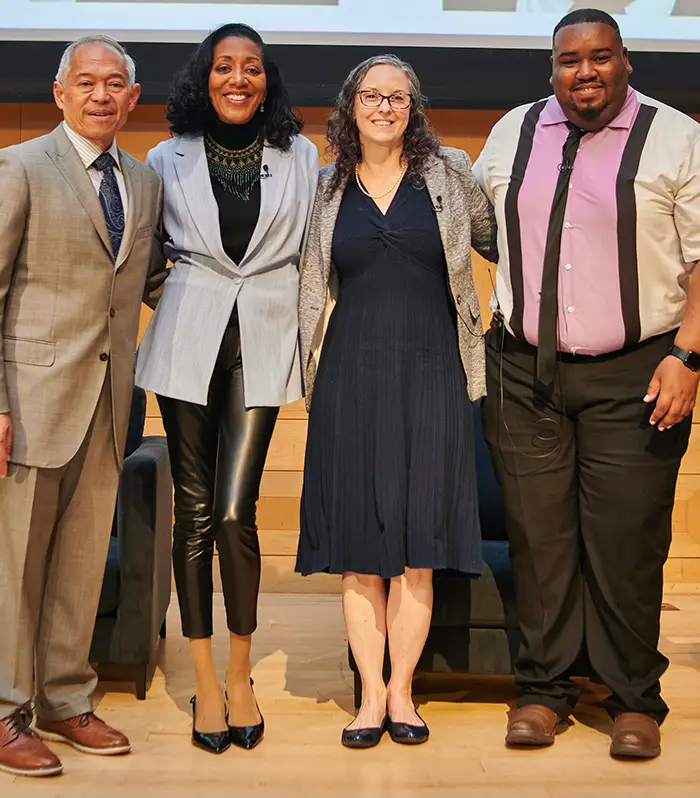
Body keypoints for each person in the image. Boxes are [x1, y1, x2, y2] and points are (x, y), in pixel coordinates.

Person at [474, 8, 700, 759]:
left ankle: (633, 698)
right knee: (540, 542)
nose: (586, 72)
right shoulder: (512, 132)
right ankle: (543, 690)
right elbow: (476, 226)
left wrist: (688, 358)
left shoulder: (675, 136)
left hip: (640, 373)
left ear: (626, 61)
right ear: (551, 68)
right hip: (523, 371)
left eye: (601, 57)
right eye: (570, 60)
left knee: (627, 540)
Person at [296, 54, 498, 749]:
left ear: (414, 108)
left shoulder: (450, 174)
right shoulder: (324, 189)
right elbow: (302, 280)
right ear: (350, 106)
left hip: (433, 373)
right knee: (358, 550)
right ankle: (370, 698)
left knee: (417, 547)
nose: (384, 107)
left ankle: (405, 693)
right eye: (371, 96)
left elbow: (504, 244)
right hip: (349, 376)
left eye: (398, 97)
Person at [135, 23, 318, 754]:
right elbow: (144, 259)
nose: (237, 78)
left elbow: (313, 254)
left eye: (251, 68)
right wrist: (182, 299)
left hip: (265, 336)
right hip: (188, 335)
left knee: (237, 510)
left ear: (266, 79)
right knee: (196, 511)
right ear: (203, 78)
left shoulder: (300, 155)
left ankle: (242, 675)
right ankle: (206, 681)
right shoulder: (164, 157)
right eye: (223, 67)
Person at [0, 35, 163, 778]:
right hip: (28, 404)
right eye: (86, 82)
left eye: (114, 85)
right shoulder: (22, 166)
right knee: (14, 567)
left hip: (107, 403)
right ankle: (7, 710)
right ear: (60, 91)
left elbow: (140, 285)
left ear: (132, 100)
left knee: (78, 564)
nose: (101, 95)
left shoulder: (143, 179)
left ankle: (66, 699)